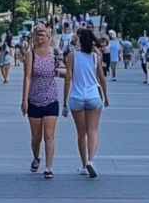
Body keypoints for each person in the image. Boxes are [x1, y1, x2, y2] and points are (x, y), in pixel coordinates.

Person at [63, 27, 109, 178]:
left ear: (80, 40)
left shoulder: (71, 56)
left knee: (81, 133)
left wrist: (64, 102)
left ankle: (83, 164)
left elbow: (68, 79)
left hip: (76, 97)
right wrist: (106, 96)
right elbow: (101, 77)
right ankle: (91, 160)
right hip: (93, 96)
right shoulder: (96, 57)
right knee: (93, 130)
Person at [21, 24, 63, 179]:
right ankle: (36, 157)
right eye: (38, 34)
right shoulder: (30, 54)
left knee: (49, 135)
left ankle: (49, 167)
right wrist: (24, 99)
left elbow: (62, 70)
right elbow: (27, 77)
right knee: (36, 137)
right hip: (34, 99)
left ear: (48, 36)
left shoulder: (55, 53)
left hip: (51, 98)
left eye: (43, 35)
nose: (40, 38)